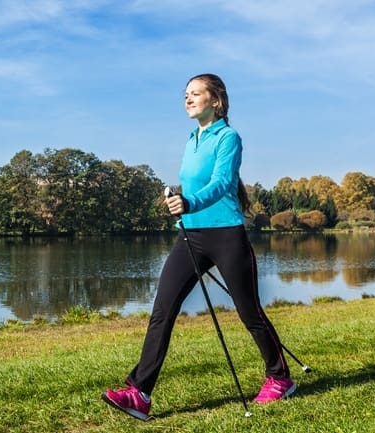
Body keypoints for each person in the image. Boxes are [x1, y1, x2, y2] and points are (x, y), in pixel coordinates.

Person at [101, 73, 296, 421]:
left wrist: (189, 201)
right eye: (185, 94)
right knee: (163, 311)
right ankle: (140, 393)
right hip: (190, 236)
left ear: (215, 100)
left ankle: (280, 378)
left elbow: (222, 183)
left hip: (226, 236)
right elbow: (191, 187)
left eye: (196, 94)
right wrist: (178, 202)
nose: (188, 99)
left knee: (250, 314)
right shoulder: (191, 139)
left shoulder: (228, 138)